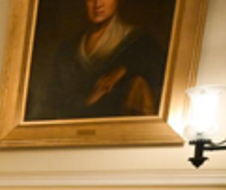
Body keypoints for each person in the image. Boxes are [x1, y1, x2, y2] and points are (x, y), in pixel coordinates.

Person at [27, 0, 167, 121]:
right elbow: (52, 103)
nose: (98, 4)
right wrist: (87, 100)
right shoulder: (67, 50)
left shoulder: (140, 42)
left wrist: (124, 70)